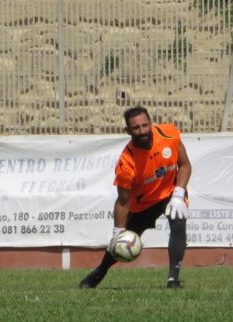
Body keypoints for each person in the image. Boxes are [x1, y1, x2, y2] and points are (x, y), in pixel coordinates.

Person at [79, 105, 192, 289]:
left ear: (150, 123)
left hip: (170, 192)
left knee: (178, 221)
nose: (142, 131)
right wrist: (118, 233)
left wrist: (179, 194)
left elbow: (185, 165)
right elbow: (123, 201)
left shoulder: (169, 134)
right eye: (136, 128)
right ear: (128, 131)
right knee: (121, 245)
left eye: (145, 125)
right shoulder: (126, 162)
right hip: (142, 204)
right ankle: (98, 273)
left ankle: (173, 279)